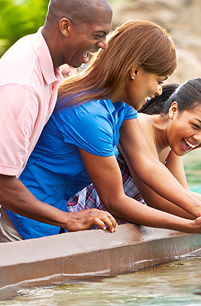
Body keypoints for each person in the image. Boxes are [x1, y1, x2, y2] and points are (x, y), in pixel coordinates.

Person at [5, 21, 201, 251]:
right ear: (135, 70)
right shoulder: (89, 116)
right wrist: (192, 225)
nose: (160, 91)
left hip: (51, 216)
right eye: (158, 80)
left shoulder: (121, 107)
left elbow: (148, 166)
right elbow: (116, 201)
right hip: (22, 221)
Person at [0, 0, 116, 242]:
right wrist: (68, 218)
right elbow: (2, 183)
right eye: (98, 35)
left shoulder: (42, 56)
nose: (103, 45)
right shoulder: (22, 87)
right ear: (65, 27)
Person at [68, 78, 201, 221]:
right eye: (195, 126)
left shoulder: (173, 143)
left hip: (113, 223)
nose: (199, 138)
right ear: (173, 110)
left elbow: (183, 195)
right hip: (84, 217)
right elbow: (158, 202)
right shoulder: (138, 124)